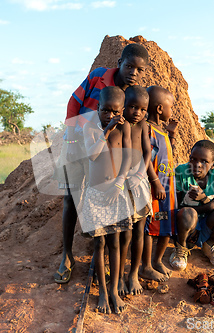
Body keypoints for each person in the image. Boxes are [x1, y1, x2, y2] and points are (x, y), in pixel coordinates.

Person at [53, 43, 149, 284]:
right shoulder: (98, 77)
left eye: (139, 70)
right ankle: (66, 256)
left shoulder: (131, 95)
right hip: (78, 142)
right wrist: (72, 135)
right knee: (71, 198)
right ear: (119, 62)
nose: (133, 73)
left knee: (103, 203)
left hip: (105, 156)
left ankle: (101, 261)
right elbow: (74, 101)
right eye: (129, 66)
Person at [81, 86, 132, 314]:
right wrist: (107, 130)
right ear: (98, 108)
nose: (110, 116)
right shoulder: (91, 128)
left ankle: (113, 290)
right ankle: (102, 291)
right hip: (96, 194)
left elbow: (129, 156)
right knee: (99, 243)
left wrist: (120, 181)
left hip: (117, 192)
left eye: (115, 112)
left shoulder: (126, 127)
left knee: (115, 242)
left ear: (122, 110)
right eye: (105, 112)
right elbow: (92, 154)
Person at [171, 140, 214, 270]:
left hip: (207, 224)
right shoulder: (182, 172)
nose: (197, 165)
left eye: (204, 161)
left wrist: (205, 199)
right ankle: (181, 247)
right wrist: (209, 205)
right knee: (188, 213)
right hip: (186, 227)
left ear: (213, 164)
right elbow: (176, 208)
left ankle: (210, 245)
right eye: (193, 159)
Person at [117, 85, 152, 296]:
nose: (137, 112)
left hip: (139, 182)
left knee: (139, 231)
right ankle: (119, 275)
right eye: (132, 107)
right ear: (123, 107)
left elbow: (147, 152)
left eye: (141, 109)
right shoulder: (120, 125)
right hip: (122, 184)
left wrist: (140, 175)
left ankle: (133, 274)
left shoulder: (143, 125)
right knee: (124, 233)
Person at [141, 86, 178, 281]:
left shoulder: (161, 132)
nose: (172, 111)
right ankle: (146, 265)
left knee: (166, 225)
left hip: (168, 190)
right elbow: (145, 159)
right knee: (150, 226)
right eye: (170, 106)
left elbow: (165, 154)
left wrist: (171, 135)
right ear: (159, 108)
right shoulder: (147, 131)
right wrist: (155, 183)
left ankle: (157, 261)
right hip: (154, 189)